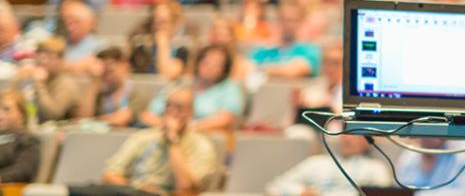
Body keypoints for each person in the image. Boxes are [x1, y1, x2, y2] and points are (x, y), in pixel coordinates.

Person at [99, 88, 220, 195]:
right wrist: (136, 187)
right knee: (84, 191)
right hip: (133, 192)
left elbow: (187, 188)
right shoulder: (143, 137)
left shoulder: (201, 146)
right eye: (168, 106)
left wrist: (172, 140)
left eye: (179, 107)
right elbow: (109, 174)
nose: (172, 111)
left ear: (190, 112)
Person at [140, 44, 245, 132]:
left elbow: (224, 120)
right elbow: (148, 115)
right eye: (205, 61)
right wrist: (168, 126)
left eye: (216, 64)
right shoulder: (181, 84)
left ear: (224, 69)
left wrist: (187, 128)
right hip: (167, 135)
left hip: (206, 141)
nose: (209, 66)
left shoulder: (230, 88)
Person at [264, 132, 392, 196]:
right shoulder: (317, 162)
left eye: (354, 134)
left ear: (367, 141)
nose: (347, 138)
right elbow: (275, 185)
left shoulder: (376, 168)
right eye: (345, 133)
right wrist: (301, 191)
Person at [20, 36, 92, 122]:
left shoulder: (66, 83)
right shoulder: (39, 79)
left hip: (65, 133)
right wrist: (20, 80)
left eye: (49, 58)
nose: (43, 62)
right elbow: (31, 110)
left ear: (61, 60)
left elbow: (51, 115)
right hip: (43, 132)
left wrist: (38, 84)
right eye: (40, 57)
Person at [246, 4, 320, 79]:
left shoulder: (308, 49)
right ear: (278, 22)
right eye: (285, 20)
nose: (288, 24)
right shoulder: (264, 50)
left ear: (300, 23)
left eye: (292, 20)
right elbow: (245, 68)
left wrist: (260, 69)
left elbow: (295, 70)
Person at [93, 47, 150, 128]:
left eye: (110, 70)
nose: (107, 76)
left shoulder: (137, 94)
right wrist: (93, 80)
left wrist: (96, 120)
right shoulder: (100, 94)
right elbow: (83, 117)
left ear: (124, 65)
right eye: (103, 72)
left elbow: (121, 120)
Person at [0, 90, 41, 183]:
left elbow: (23, 171)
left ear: (21, 114)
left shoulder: (28, 141)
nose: (0, 116)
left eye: (7, 110)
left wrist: (1, 177)